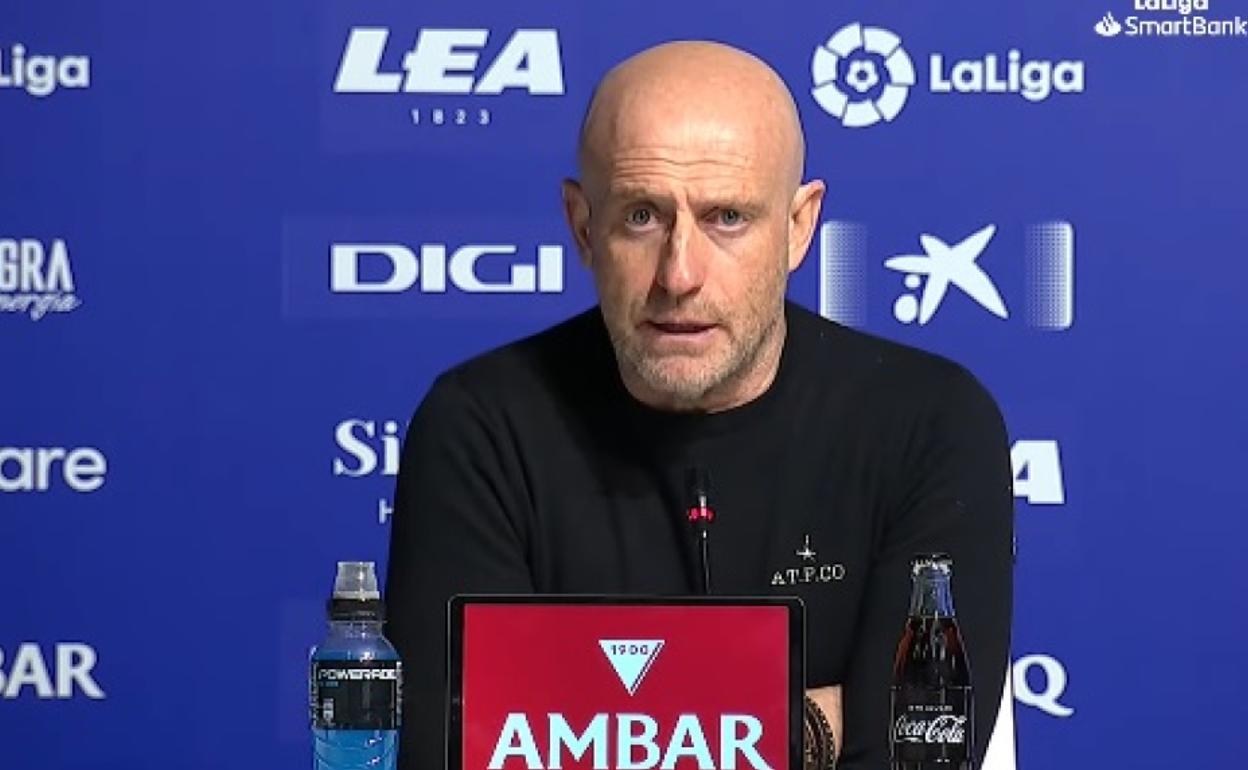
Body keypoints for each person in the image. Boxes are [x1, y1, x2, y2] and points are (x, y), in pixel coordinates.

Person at [384, 40, 1013, 770]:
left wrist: (576, 727)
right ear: (583, 227)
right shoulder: (480, 425)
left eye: (727, 217)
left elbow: (917, 747)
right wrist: (813, 724)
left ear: (799, 227)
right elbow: (450, 748)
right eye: (641, 216)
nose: (679, 275)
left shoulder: (930, 422)